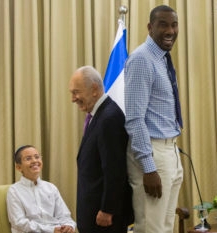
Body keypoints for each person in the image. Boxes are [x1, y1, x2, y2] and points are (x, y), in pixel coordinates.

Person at [124, 5, 184, 233]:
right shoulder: (142, 59)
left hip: (170, 149)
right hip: (152, 154)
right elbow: (134, 119)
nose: (170, 30)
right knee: (151, 229)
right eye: (163, 25)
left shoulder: (162, 58)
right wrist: (149, 168)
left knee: (166, 228)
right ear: (150, 28)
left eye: (174, 24)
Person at [69, 65, 133, 233]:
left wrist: (107, 209)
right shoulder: (99, 115)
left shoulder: (109, 118)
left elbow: (115, 170)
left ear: (95, 90)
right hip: (95, 215)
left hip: (104, 219)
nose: (73, 99)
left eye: (76, 92)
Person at [7, 145, 76, 233]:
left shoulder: (51, 187)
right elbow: (19, 223)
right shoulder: (14, 191)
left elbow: (64, 215)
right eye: (28, 159)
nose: (35, 161)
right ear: (18, 167)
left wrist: (69, 226)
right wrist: (51, 230)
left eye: (37, 157)